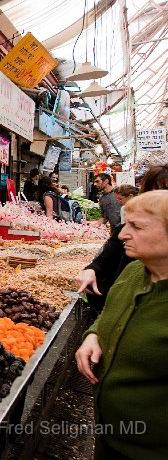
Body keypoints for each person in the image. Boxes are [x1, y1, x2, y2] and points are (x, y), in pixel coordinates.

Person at [75, 190, 168, 458]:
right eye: (125, 224)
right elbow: (111, 311)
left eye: (136, 227)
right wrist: (94, 334)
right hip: (110, 436)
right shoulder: (134, 271)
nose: (122, 235)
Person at [75, 164, 168, 313]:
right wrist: (92, 269)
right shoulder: (133, 272)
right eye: (151, 191)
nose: (125, 235)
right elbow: (113, 246)